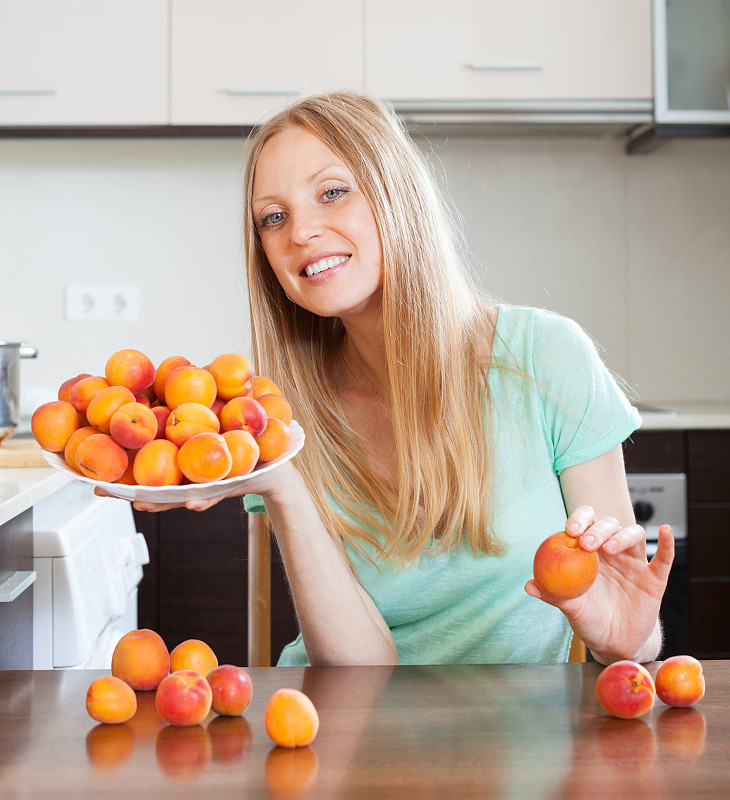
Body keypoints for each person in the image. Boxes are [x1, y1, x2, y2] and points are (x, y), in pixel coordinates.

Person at [133, 91, 675, 668]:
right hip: (349, 734)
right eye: (274, 217)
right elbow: (362, 678)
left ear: (397, 195)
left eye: (332, 192)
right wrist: (284, 486)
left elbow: (625, 623)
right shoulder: (280, 414)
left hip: (521, 741)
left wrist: (625, 640)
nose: (301, 233)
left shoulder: (545, 357)